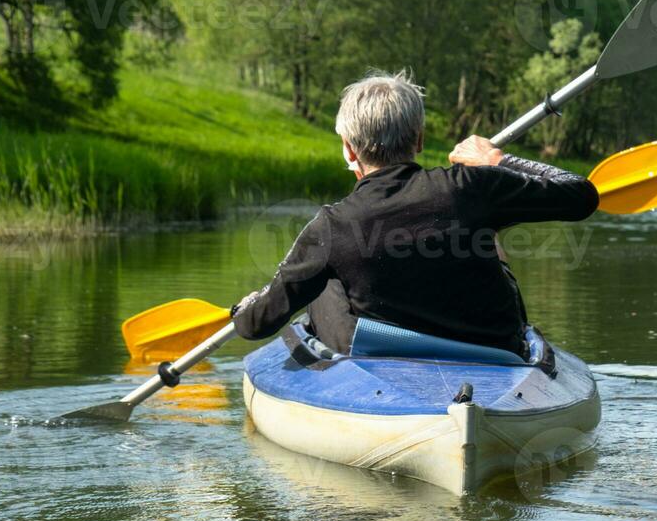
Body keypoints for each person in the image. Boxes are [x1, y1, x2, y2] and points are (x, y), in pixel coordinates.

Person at [231, 70, 598, 359]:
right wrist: (497, 162)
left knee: (326, 280)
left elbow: (257, 323)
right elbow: (582, 195)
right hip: (492, 350)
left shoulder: (332, 225)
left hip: (388, 354)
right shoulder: (472, 185)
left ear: (348, 149)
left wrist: (243, 307)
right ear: (419, 139)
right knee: (491, 243)